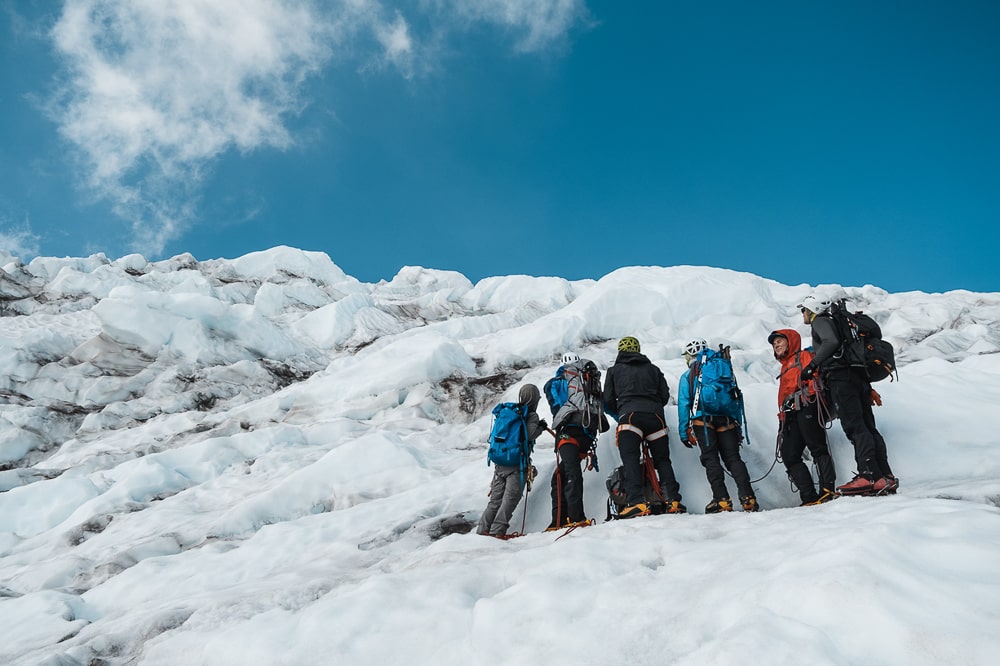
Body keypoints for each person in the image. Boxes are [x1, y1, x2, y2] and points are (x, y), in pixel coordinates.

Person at [798, 294, 898, 496]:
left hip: (840, 379)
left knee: (855, 427)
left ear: (812, 309)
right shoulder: (840, 322)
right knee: (869, 427)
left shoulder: (820, 321)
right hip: (857, 377)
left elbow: (830, 341)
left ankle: (867, 475)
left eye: (803, 309)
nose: (802, 313)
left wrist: (812, 365)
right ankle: (883, 477)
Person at [603, 336, 686, 517]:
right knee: (663, 460)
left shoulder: (613, 371)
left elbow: (607, 400)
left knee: (631, 458)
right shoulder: (654, 369)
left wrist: (622, 411)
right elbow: (664, 396)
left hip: (630, 417)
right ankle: (672, 500)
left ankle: (637, 502)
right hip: (656, 418)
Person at [678, 339, 759, 513]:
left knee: (710, 458)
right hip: (727, 419)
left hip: (703, 420)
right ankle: (748, 498)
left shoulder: (689, 374)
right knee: (733, 458)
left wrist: (684, 431)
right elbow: (734, 396)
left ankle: (721, 500)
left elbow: (684, 403)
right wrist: (736, 424)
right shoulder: (723, 368)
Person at [768, 329, 837, 505]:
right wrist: (782, 417)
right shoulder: (786, 365)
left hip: (808, 406)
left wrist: (812, 398)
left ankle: (827, 489)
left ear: (791, 341)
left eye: (779, 341)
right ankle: (809, 496)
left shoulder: (804, 356)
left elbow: (814, 378)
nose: (776, 344)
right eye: (774, 343)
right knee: (789, 454)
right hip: (791, 414)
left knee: (817, 447)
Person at [544, 351, 608, 530]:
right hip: (589, 433)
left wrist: (560, 422)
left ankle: (575, 518)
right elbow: (605, 405)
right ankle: (560, 519)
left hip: (569, 432)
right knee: (561, 474)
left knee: (570, 473)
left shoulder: (558, 381)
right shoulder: (591, 381)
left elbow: (556, 406)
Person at [477, 383, 546, 538]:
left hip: (500, 462)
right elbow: (530, 434)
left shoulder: (510, 412)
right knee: (510, 499)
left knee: (495, 499)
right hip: (516, 464)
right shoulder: (531, 415)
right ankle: (497, 531)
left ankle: (482, 529)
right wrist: (541, 427)